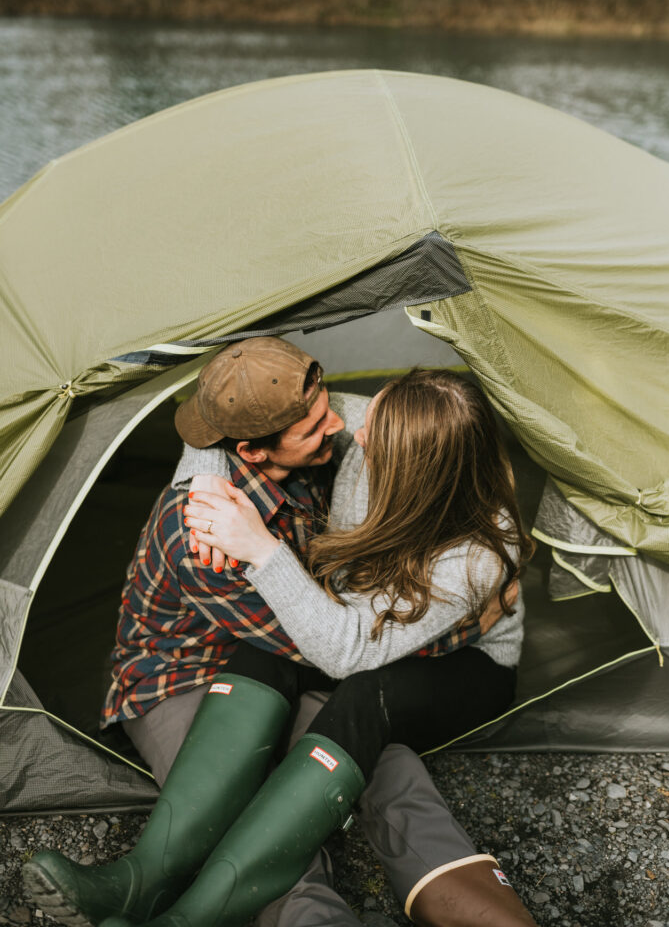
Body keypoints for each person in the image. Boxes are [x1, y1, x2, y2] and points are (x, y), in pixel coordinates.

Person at [23, 339, 536, 927]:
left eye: (348, 420)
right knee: (276, 779)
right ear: (248, 448)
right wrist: (210, 492)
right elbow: (331, 647)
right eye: (324, 425)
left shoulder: (376, 468)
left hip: (328, 652)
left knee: (367, 739)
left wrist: (445, 631)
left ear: (413, 465)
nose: (349, 428)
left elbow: (344, 647)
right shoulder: (207, 535)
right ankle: (154, 890)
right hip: (188, 674)